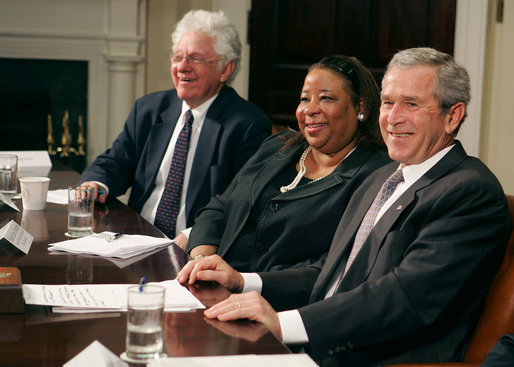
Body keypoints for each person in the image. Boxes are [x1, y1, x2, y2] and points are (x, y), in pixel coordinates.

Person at [177, 47, 511, 366]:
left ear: (452, 116)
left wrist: (284, 324)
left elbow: (404, 297)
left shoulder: (470, 191)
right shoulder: (383, 177)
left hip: (377, 358)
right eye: (389, 103)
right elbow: (331, 273)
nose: (393, 119)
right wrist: (246, 283)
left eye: (411, 104)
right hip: (313, 345)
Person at [185, 55, 390, 272]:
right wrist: (201, 259)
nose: (310, 109)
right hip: (213, 283)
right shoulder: (277, 146)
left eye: (326, 98)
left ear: (360, 107)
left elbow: (334, 267)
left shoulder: (376, 174)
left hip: (277, 301)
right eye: (304, 99)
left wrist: (244, 282)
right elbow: (221, 205)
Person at [79, 10, 271, 241]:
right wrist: (95, 183)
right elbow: (117, 161)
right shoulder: (149, 109)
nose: (183, 66)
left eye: (196, 59)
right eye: (178, 57)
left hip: (193, 248)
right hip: (135, 237)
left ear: (225, 70)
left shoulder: (247, 124)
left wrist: (193, 235)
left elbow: (241, 202)